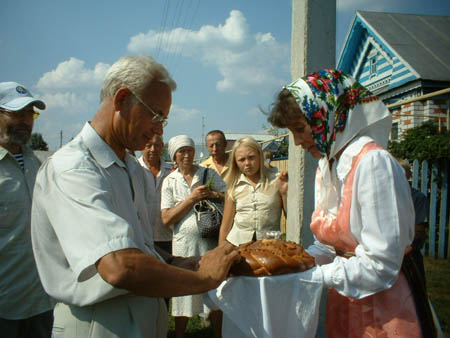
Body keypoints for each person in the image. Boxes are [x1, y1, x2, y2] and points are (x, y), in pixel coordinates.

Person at [31, 56, 239, 338]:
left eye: (164, 120)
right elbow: (119, 266)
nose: (160, 130)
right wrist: (203, 277)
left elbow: (138, 247)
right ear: (122, 99)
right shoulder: (74, 168)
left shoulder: (130, 168)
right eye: (156, 116)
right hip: (100, 323)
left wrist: (176, 263)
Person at [267, 69, 436, 337]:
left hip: (384, 305)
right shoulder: (329, 165)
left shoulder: (373, 163)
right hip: (347, 297)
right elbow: (329, 244)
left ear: (330, 116)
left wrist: (312, 276)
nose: (298, 142)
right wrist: (290, 264)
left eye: (300, 129)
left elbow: (381, 264)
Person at [0, 82, 53, 338]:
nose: (25, 121)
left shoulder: (36, 163)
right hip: (5, 306)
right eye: (17, 113)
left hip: (42, 300)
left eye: (30, 114)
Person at [161, 135, 226, 338]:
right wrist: (192, 199)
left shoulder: (208, 174)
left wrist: (212, 195)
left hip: (210, 243)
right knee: (183, 291)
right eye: (182, 151)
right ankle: (179, 335)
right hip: (183, 246)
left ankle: (217, 334)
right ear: (174, 156)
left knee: (213, 287)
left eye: (189, 150)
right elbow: (166, 218)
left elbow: (229, 197)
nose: (187, 155)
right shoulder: (170, 181)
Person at [218, 137, 288, 246]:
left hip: (270, 246)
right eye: (241, 159)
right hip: (238, 246)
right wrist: (221, 250)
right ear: (235, 162)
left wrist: (284, 193)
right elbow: (226, 225)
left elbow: (291, 216)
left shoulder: (276, 180)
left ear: (260, 156)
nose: (247, 163)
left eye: (251, 157)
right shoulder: (233, 185)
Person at [138, 134, 173, 255]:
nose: (153, 149)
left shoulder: (172, 171)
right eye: (148, 146)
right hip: (140, 237)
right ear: (141, 146)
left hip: (168, 237)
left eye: (157, 145)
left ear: (162, 147)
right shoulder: (133, 169)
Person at [396, 158, 429, 286]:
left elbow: (418, 231)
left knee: (414, 297)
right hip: (390, 256)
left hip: (410, 257)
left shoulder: (417, 198)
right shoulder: (386, 197)